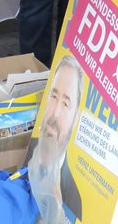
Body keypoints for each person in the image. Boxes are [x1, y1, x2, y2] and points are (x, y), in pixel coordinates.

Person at [27, 55, 84, 224]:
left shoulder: (74, 198)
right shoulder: (28, 150)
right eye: (53, 96)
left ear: (75, 118)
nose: (55, 113)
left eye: (66, 104)